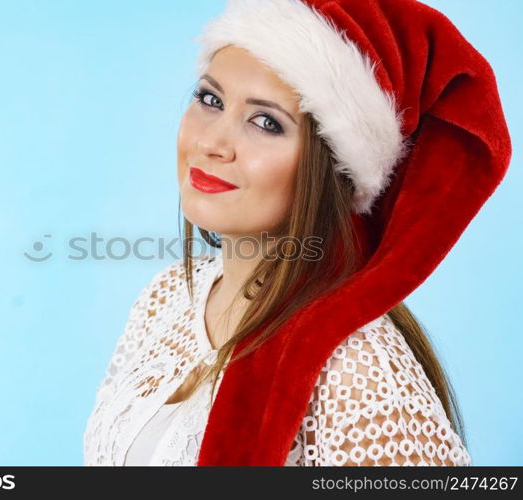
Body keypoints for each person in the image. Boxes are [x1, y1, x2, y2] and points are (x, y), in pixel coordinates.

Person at [84, 0, 511, 466]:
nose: (211, 143)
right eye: (210, 99)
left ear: (334, 168)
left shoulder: (356, 372)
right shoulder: (165, 299)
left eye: (266, 123)